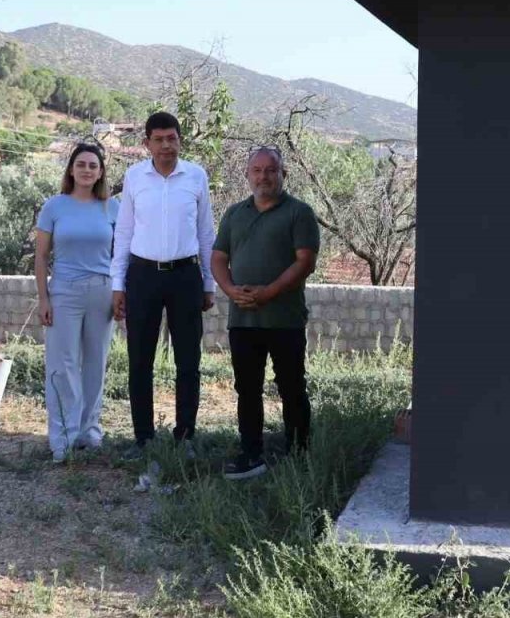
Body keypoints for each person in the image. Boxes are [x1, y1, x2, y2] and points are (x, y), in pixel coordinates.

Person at [211, 146, 320, 480]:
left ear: (282, 174)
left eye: (271, 170)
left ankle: (299, 453)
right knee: (247, 388)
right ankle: (251, 454)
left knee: (291, 385)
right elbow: (218, 258)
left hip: (284, 319)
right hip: (243, 320)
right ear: (247, 175)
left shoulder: (299, 213)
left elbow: (305, 261)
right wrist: (230, 290)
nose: (263, 177)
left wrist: (268, 293)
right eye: (257, 170)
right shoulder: (234, 213)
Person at [110, 112, 216, 452]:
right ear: (147, 143)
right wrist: (118, 284)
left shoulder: (196, 176)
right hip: (142, 276)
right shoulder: (134, 177)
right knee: (140, 359)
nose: (166, 145)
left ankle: (185, 436)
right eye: (159, 139)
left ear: (180, 140)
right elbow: (124, 232)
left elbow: (205, 232)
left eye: (172, 138)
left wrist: (209, 282)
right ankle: (143, 438)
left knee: (188, 360)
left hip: (186, 276)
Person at [35, 143, 120, 463]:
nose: (87, 170)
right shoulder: (54, 206)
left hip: (102, 291)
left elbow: (121, 256)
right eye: (81, 164)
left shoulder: (112, 208)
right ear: (71, 169)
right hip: (64, 292)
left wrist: (119, 293)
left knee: (95, 363)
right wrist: (44, 297)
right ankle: (62, 438)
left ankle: (89, 431)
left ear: (100, 172)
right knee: (62, 365)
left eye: (93, 165)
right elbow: (41, 257)